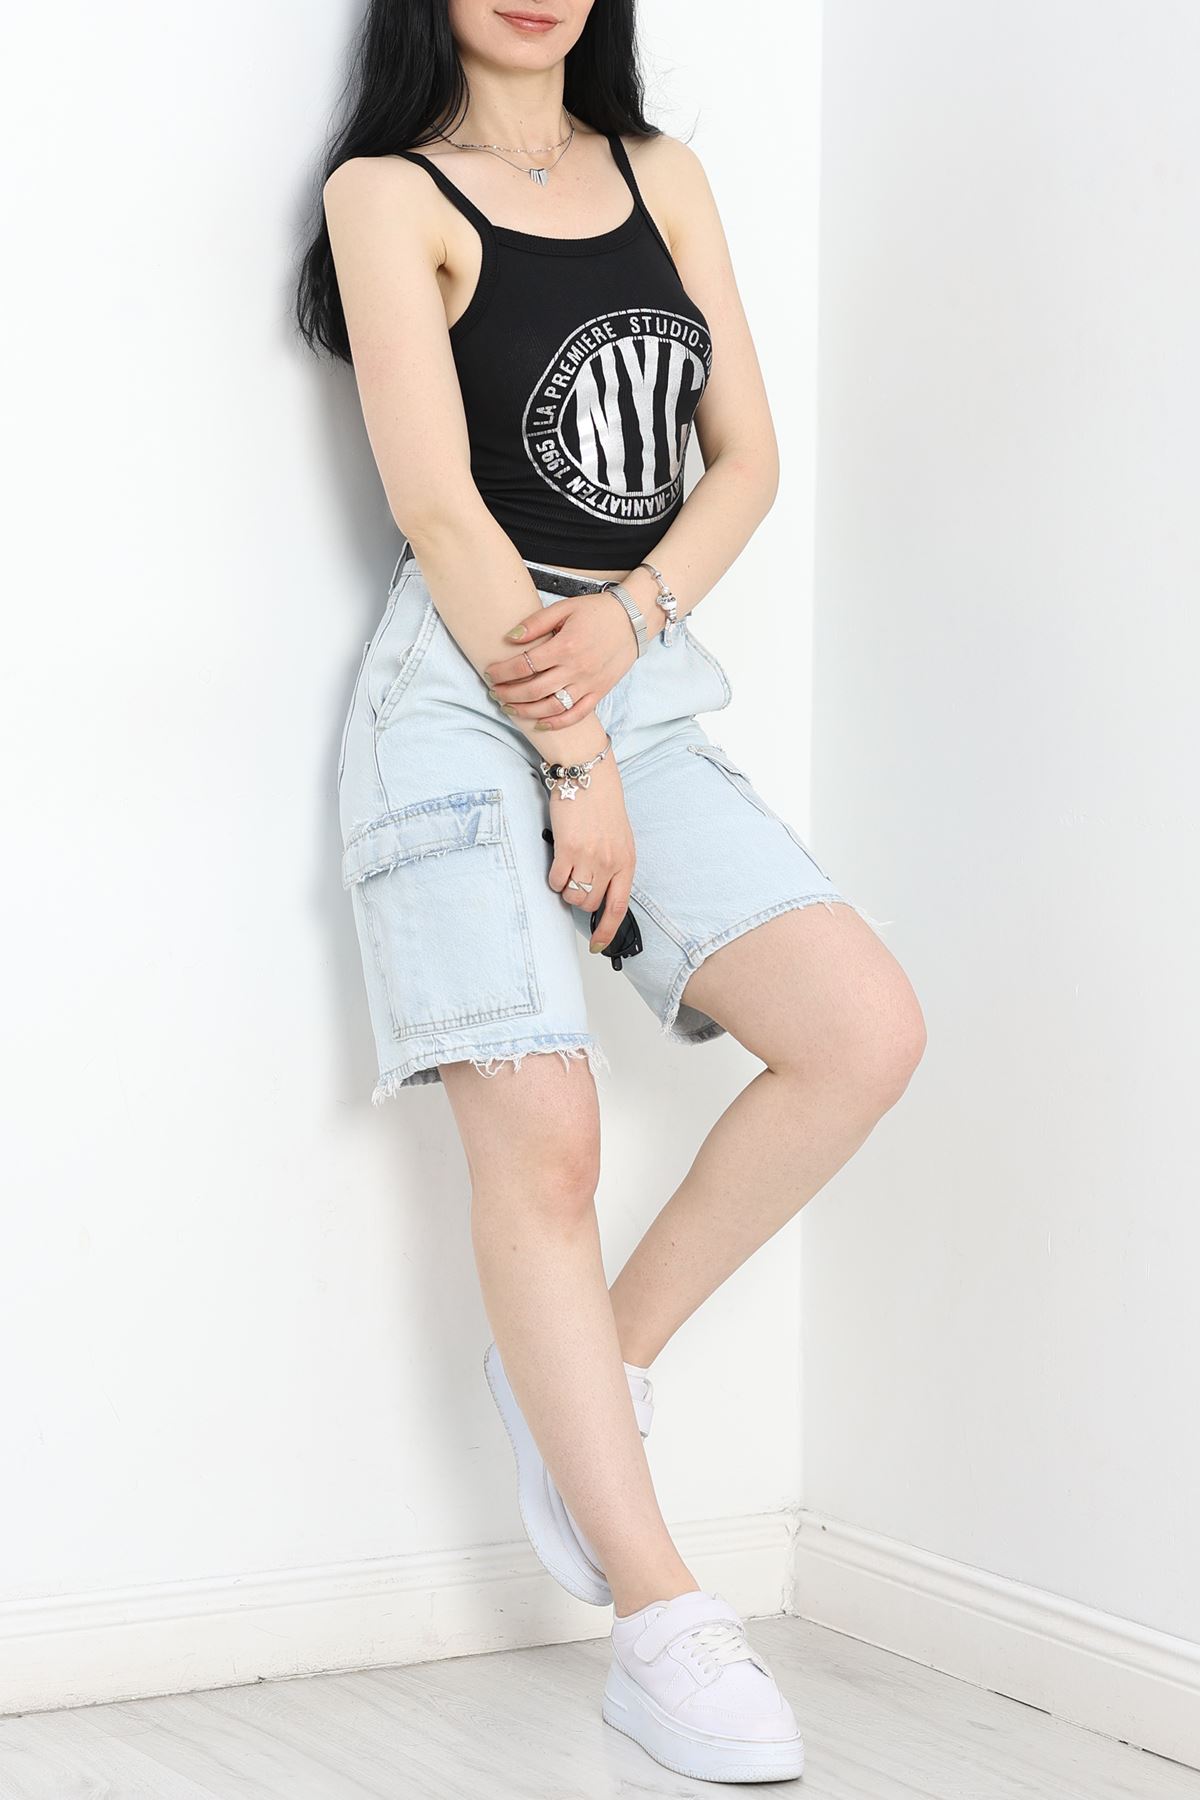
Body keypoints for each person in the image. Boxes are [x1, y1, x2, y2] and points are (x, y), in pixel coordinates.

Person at [296, 0, 926, 1782]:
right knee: (547, 1141)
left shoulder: (662, 174)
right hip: (462, 691)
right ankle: (661, 1619)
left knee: (860, 1031)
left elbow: (749, 459)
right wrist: (571, 754)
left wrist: (635, 628)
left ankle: (588, 1369)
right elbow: (439, 503)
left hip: (628, 670)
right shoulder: (387, 193)